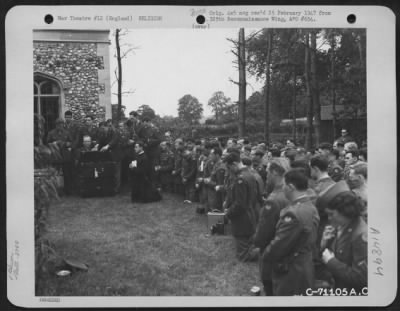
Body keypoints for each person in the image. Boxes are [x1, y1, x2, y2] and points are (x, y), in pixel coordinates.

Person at [262, 169, 320, 296]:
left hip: (292, 268)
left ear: (290, 187)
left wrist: (266, 254)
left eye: (283, 185)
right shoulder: (310, 205)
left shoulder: (293, 213)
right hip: (304, 263)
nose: (282, 189)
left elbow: (279, 245)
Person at [254, 159, 290, 296]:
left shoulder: (273, 200)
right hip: (288, 249)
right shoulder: (291, 191)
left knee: (270, 287)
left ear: (275, 172)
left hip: (272, 250)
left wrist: (256, 241)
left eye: (268, 172)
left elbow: (264, 232)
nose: (266, 176)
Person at [320, 191, 367, 293]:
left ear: (345, 212)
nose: (329, 218)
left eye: (332, 214)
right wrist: (324, 244)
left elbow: (361, 278)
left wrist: (331, 262)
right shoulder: (343, 226)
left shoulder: (360, 235)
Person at [223, 152, 259, 262]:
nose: (229, 171)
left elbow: (240, 204)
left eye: (229, 168)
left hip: (242, 218)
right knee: (247, 243)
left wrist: (228, 212)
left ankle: (264, 252)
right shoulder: (250, 174)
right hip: (250, 214)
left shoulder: (240, 179)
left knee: (243, 256)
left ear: (234, 164)